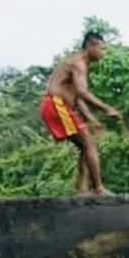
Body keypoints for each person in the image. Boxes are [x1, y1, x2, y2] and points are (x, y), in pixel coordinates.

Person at [39, 31, 123, 197]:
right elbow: (83, 93)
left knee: (86, 145)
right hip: (56, 105)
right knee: (89, 143)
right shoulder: (79, 63)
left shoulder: (79, 64)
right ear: (91, 46)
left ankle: (83, 190)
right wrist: (107, 109)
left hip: (60, 106)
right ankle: (99, 188)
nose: (104, 53)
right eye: (102, 49)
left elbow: (77, 98)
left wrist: (92, 119)